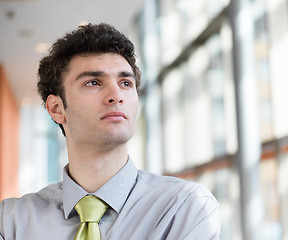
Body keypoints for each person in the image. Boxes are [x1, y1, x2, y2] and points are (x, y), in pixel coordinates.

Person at [0, 23, 220, 240]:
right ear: (57, 109)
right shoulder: (11, 221)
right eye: (93, 82)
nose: (116, 95)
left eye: (125, 83)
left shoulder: (183, 208)